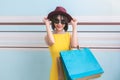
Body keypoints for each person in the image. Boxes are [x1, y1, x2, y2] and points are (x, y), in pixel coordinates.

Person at [43, 6, 79, 80]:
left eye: (62, 21)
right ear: (53, 22)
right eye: (56, 21)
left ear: (65, 23)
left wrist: (74, 27)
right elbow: (52, 42)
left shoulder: (69, 36)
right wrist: (47, 24)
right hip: (55, 72)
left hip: (69, 72)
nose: (59, 24)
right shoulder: (48, 37)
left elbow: (74, 46)